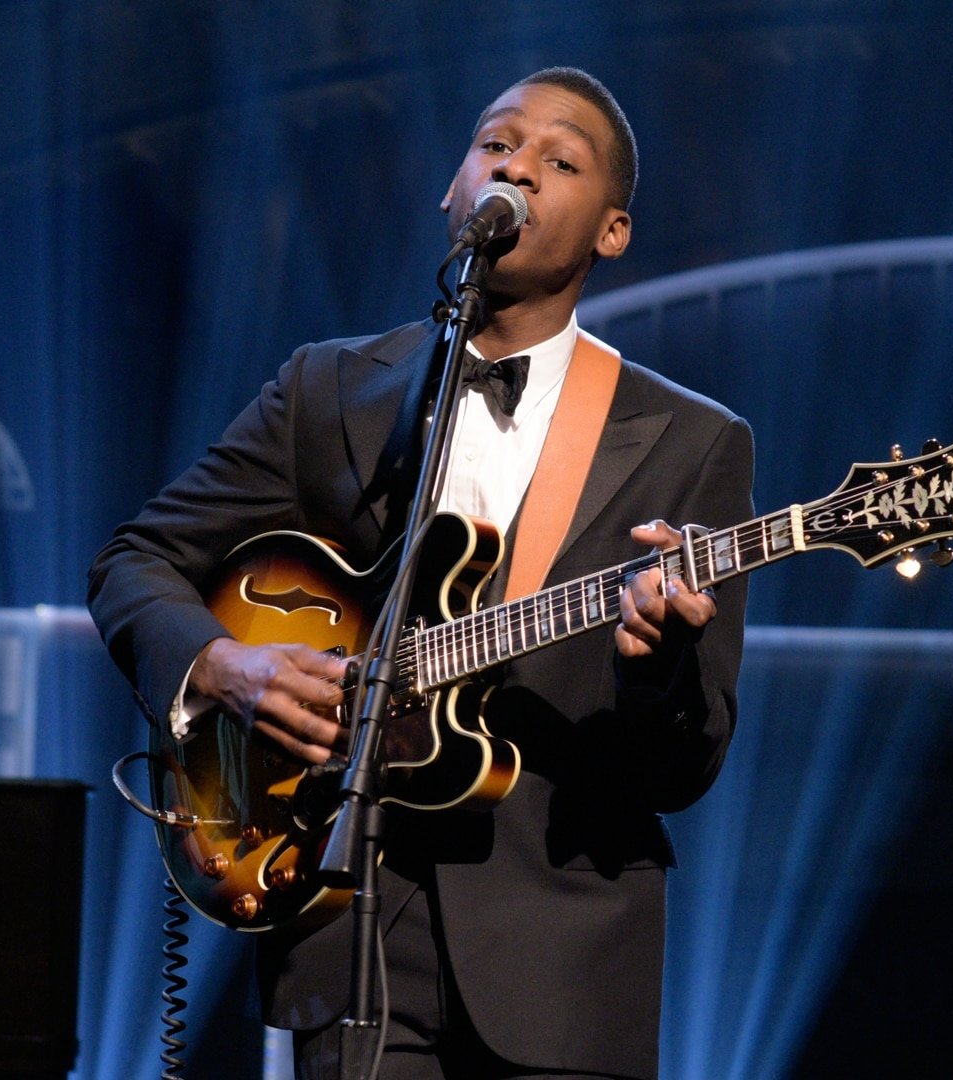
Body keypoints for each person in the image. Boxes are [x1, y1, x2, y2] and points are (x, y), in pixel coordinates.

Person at [90, 67, 752, 1079]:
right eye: (497, 144)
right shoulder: (328, 388)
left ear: (612, 232)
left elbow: (681, 769)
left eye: (560, 162)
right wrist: (229, 668)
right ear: (454, 191)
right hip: (346, 929)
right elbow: (136, 562)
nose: (516, 168)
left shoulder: (689, 440)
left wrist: (658, 664)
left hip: (563, 960)